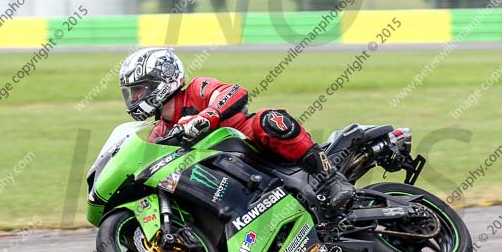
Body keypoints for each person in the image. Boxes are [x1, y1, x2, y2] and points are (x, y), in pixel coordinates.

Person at [118, 47, 354, 213]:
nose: (135, 97)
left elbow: (234, 92)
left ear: (163, 80)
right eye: (133, 92)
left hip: (248, 143)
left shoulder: (197, 88)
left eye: (139, 89)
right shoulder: (159, 132)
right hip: (223, 179)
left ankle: (332, 180)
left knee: (270, 120)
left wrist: (207, 116)